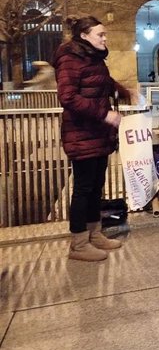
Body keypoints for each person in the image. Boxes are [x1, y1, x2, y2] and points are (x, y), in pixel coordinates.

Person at [53, 15, 135, 261]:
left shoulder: (92, 57)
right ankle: (78, 244)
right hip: (82, 132)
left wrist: (123, 91)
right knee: (83, 188)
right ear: (84, 35)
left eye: (105, 34)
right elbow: (67, 97)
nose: (105, 38)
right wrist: (105, 114)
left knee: (96, 187)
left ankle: (94, 233)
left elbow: (102, 81)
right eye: (100, 34)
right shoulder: (70, 59)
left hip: (97, 133)